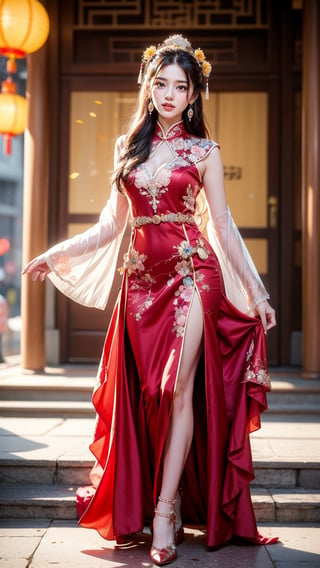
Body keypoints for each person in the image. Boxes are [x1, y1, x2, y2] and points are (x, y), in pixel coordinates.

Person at [23, 35, 277, 566]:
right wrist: (56, 253)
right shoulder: (127, 148)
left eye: (180, 87)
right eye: (160, 83)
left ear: (193, 95)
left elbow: (224, 227)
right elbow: (110, 226)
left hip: (191, 274)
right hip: (140, 283)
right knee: (148, 396)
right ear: (148, 84)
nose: (168, 94)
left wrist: (257, 291)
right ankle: (165, 498)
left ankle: (165, 512)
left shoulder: (205, 151)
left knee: (176, 389)